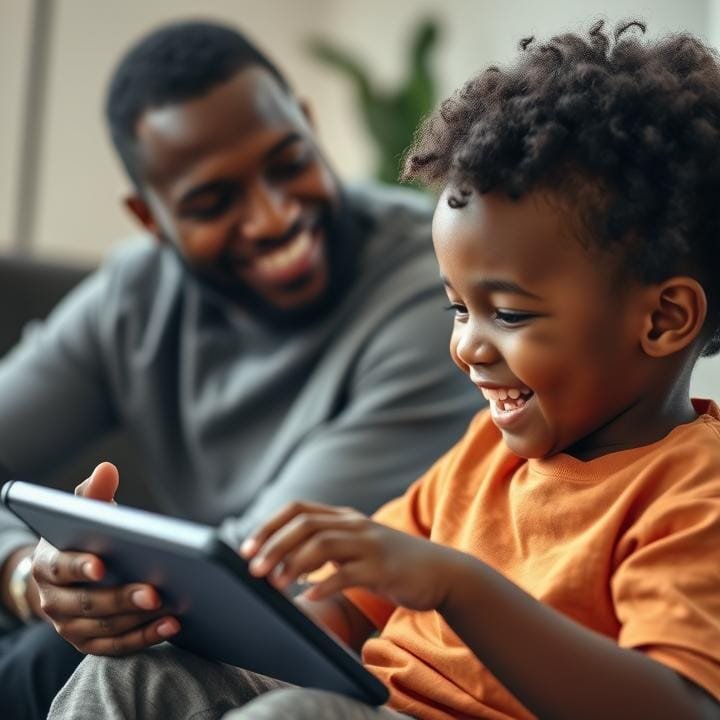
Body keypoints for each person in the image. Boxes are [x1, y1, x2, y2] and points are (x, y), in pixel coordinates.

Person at [47, 19, 720, 720]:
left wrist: (459, 587)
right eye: (459, 308)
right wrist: (188, 598)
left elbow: (680, 707)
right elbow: (339, 605)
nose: (467, 347)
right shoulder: (482, 455)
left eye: (510, 315)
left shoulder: (693, 496)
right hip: (374, 705)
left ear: (664, 319)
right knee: (136, 676)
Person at [0, 19, 481, 720]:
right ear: (150, 218)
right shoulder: (134, 295)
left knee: (79, 653)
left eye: (288, 163)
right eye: (212, 202)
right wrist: (25, 577)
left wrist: (91, 591)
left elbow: (261, 580)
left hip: (307, 659)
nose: (273, 217)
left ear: (309, 126)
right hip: (166, 634)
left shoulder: (436, 292)